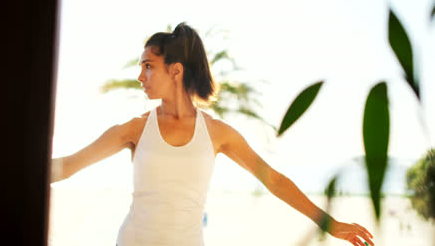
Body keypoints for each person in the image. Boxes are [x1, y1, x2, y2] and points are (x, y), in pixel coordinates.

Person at [51, 22, 374, 246]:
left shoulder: (219, 134)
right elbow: (67, 166)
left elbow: (273, 181)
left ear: (175, 70)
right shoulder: (134, 128)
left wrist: (329, 224)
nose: (140, 75)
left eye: (148, 65)